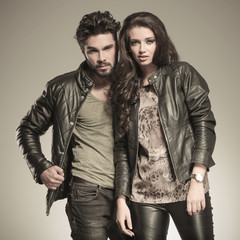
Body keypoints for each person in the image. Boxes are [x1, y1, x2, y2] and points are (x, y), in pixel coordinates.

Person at [16, 11, 126, 240]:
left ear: (117, 45)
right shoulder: (62, 88)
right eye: (92, 50)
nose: (101, 57)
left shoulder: (132, 84)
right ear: (82, 50)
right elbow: (28, 128)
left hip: (130, 192)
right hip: (87, 192)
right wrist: (42, 167)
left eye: (107, 48)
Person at [109, 12, 216, 239]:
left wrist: (198, 179)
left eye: (149, 41)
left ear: (160, 41)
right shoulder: (124, 89)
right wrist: (121, 198)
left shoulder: (181, 74)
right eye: (134, 42)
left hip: (186, 188)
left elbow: (204, 123)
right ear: (127, 47)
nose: (142, 49)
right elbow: (121, 149)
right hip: (143, 195)